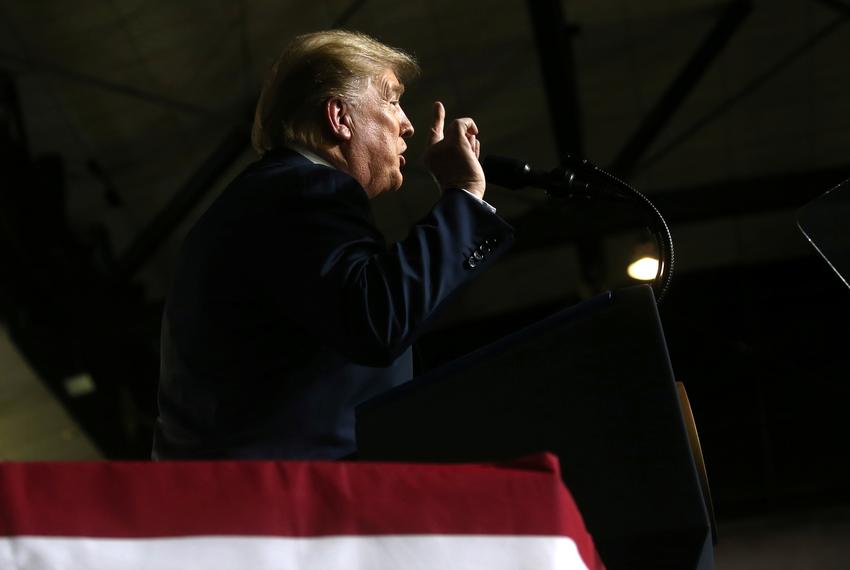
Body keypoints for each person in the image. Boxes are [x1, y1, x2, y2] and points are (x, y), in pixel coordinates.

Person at [153, 30, 514, 460]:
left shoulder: (266, 196)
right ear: (340, 117)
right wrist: (464, 195)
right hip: (283, 499)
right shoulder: (304, 190)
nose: (408, 124)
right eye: (392, 100)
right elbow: (377, 317)